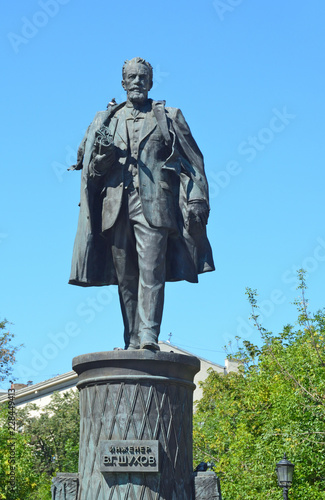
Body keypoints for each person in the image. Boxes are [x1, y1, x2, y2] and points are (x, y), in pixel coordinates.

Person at [69, 57, 214, 351]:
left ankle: (148, 336)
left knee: (152, 271)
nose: (137, 81)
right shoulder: (105, 120)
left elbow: (194, 162)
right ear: (123, 83)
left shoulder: (169, 117)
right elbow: (93, 173)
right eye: (131, 77)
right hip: (116, 207)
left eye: (142, 77)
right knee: (126, 279)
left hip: (155, 205)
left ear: (150, 82)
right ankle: (132, 339)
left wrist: (198, 197)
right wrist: (103, 158)